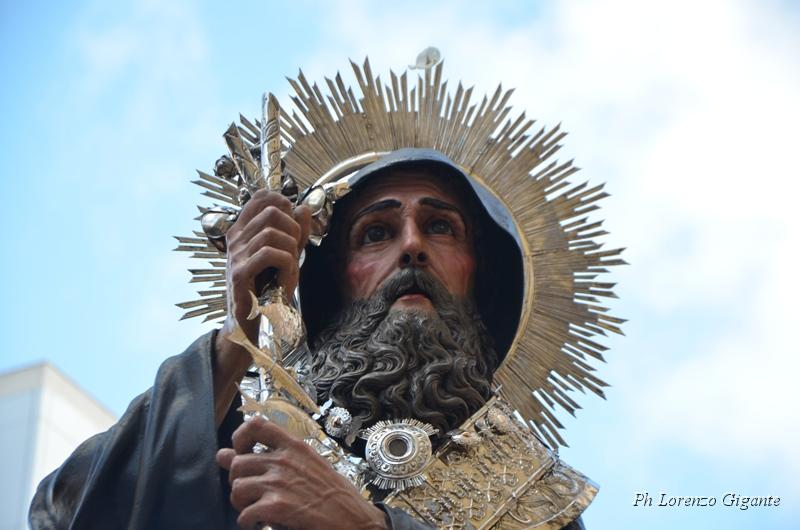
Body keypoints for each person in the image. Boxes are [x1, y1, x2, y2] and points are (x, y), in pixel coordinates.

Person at [30, 58, 620, 530]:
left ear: (478, 271)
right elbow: (64, 515)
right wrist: (243, 338)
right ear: (337, 276)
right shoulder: (241, 428)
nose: (411, 246)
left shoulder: (528, 494)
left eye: (440, 226)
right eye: (377, 233)